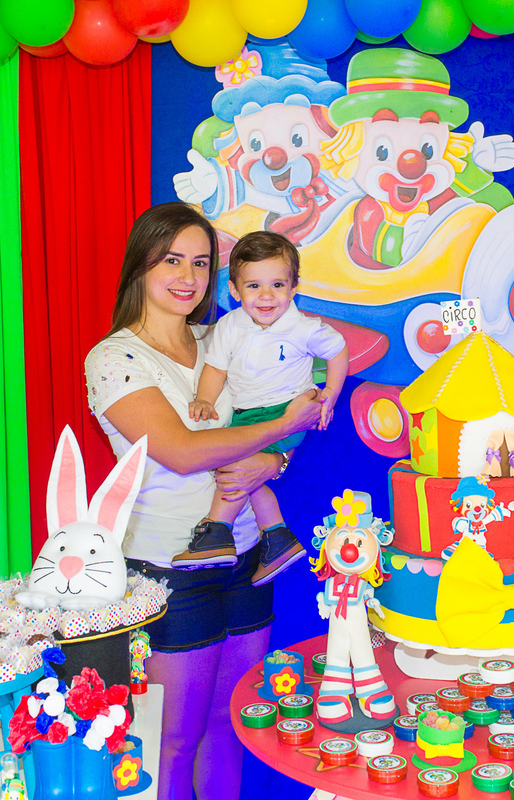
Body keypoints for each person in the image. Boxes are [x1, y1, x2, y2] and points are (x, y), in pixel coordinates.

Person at [84, 202, 321, 800]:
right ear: (140, 265)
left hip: (247, 558)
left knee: (229, 724)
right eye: (171, 260)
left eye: (200, 263)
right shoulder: (114, 358)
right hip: (169, 569)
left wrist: (276, 459)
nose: (187, 276)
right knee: (174, 739)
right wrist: (280, 429)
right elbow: (184, 452)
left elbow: (288, 405)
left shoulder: (223, 338)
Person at [178, 231, 348, 584]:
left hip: (288, 411)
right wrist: (205, 399)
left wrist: (330, 393)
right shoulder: (230, 326)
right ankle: (277, 536)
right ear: (234, 290)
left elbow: (337, 350)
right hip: (247, 416)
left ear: (294, 287)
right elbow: (216, 369)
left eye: (278, 285)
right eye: (254, 286)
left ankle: (217, 530)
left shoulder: (302, 328)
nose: (266, 296)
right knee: (248, 475)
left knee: (235, 467)